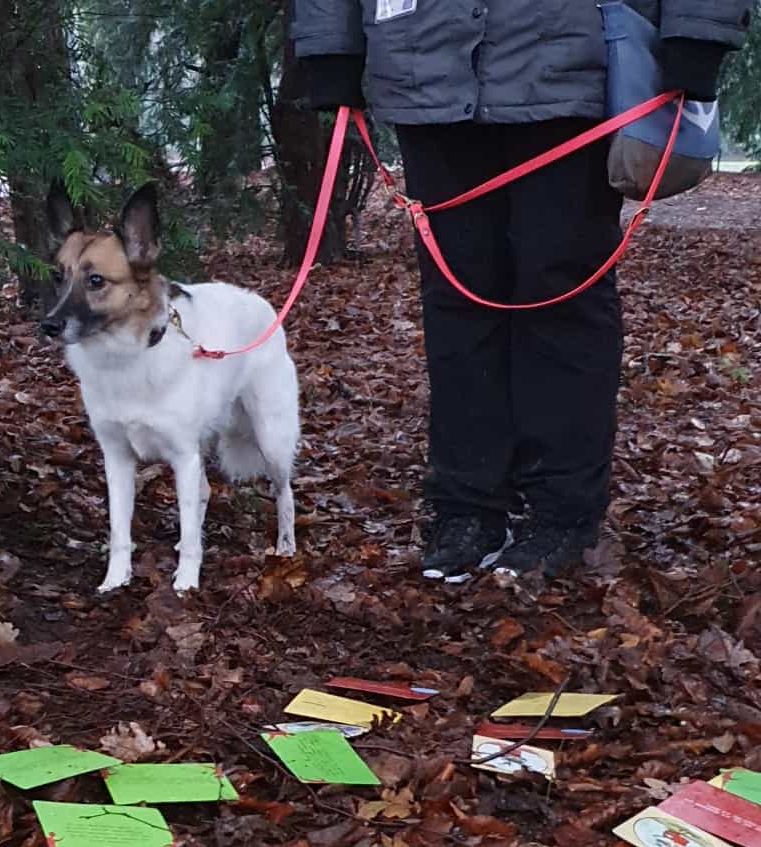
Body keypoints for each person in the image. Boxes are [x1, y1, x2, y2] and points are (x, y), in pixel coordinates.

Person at [293, 1, 750, 580]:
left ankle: (563, 511)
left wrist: (697, 34)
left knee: (561, 295)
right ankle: (467, 504)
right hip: (422, 67)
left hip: (568, 62)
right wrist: (330, 49)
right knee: (457, 300)